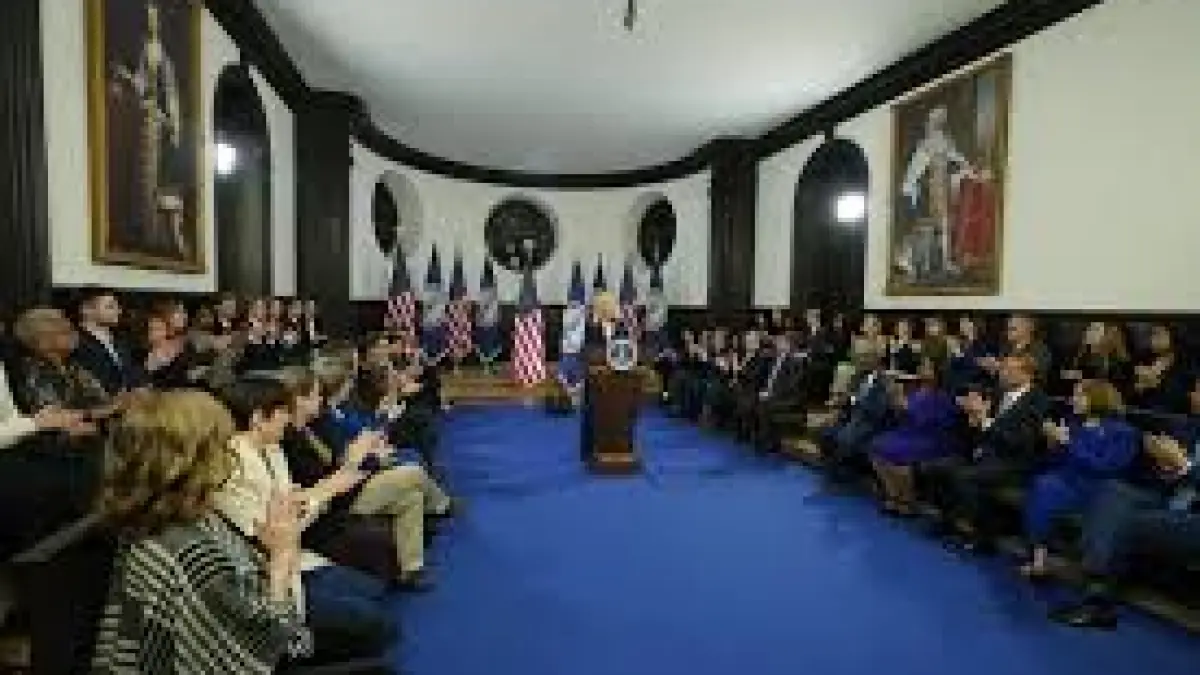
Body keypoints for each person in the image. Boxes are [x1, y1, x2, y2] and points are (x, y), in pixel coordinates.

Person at [92, 390, 313, 673]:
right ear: (195, 461)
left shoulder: (149, 520)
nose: (231, 455)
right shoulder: (194, 553)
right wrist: (281, 558)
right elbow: (273, 645)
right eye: (223, 446)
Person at [214, 379, 394, 669]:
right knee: (380, 625)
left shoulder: (273, 450)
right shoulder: (232, 466)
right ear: (259, 418)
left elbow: (294, 510)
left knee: (372, 590)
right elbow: (274, 535)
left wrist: (314, 497)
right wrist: (324, 492)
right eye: (283, 411)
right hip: (268, 574)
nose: (288, 417)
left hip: (296, 555)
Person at [284, 368, 453, 591]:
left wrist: (358, 457)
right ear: (299, 400)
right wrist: (355, 460)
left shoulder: (310, 428)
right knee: (412, 473)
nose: (320, 399)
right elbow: (323, 479)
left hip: (350, 485)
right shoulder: (293, 439)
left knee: (410, 498)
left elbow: (337, 461)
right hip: (337, 502)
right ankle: (441, 506)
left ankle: (411, 570)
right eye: (315, 395)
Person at [926, 354, 1049, 552]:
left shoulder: (1038, 402)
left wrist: (984, 420)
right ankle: (948, 520)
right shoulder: (997, 393)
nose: (1003, 373)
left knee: (965, 476)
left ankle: (983, 536)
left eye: (1009, 370)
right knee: (936, 467)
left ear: (1027, 374)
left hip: (1012, 462)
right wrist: (970, 415)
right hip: (983, 452)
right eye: (1003, 368)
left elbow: (1019, 441)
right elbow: (976, 428)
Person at [1020, 380, 1138, 578]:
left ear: (1097, 398)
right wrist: (1053, 443)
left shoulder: (1122, 432)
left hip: (1100, 489)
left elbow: (1105, 467)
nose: (1072, 399)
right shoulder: (1074, 424)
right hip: (1066, 482)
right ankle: (1039, 557)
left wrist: (1068, 443)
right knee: (1044, 484)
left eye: (1079, 395)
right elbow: (1057, 461)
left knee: (1047, 486)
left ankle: (1058, 562)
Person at [869, 357, 961, 516]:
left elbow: (934, 422)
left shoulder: (944, 396)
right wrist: (897, 405)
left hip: (933, 437)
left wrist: (906, 407)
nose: (921, 369)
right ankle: (893, 494)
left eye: (926, 367)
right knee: (877, 445)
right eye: (922, 366)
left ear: (937, 372)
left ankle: (907, 499)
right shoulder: (917, 390)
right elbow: (904, 417)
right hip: (910, 432)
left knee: (898, 453)